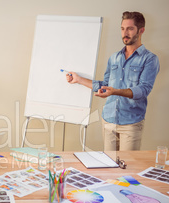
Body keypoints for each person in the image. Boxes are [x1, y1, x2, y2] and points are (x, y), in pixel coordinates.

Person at [66, 11, 160, 151]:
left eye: (130, 28)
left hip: (131, 124)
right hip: (108, 121)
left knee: (128, 167)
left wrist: (115, 91)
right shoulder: (114, 58)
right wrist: (78, 79)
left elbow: (143, 90)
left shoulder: (150, 59)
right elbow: (105, 85)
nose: (125, 33)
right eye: (122, 28)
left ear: (141, 30)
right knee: (109, 167)